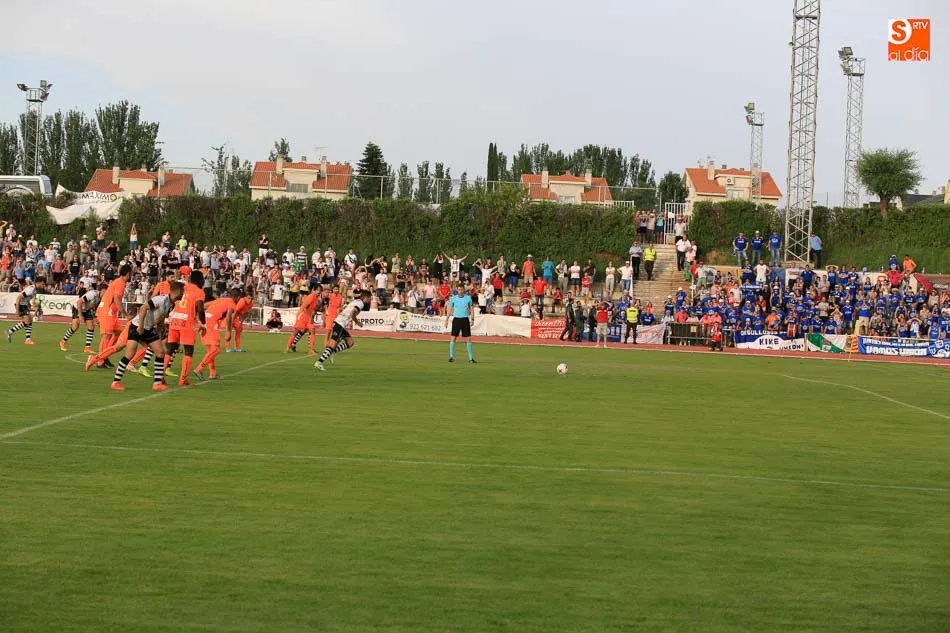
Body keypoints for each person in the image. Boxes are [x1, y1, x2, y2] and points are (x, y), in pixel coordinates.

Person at [109, 282, 182, 391]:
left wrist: (159, 334)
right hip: (137, 326)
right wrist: (141, 326)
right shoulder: (161, 299)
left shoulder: (171, 304)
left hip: (149, 328)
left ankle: (157, 383)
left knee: (160, 352)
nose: (183, 295)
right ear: (177, 291)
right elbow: (144, 307)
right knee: (129, 354)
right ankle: (115, 382)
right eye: (182, 292)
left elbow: (161, 319)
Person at [165, 270, 206, 387]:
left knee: (170, 349)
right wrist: (203, 323)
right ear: (200, 280)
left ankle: (160, 375)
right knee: (188, 351)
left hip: (174, 321)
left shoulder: (182, 287)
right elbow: (200, 309)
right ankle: (183, 379)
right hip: (186, 323)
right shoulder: (199, 292)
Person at [314, 289, 371, 371]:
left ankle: (333, 352)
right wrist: (357, 322)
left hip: (340, 324)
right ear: (366, 297)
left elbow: (343, 309)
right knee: (332, 345)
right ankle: (319, 362)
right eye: (369, 298)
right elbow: (352, 313)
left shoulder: (356, 301)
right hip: (339, 324)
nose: (370, 300)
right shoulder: (361, 303)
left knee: (350, 343)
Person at [194, 289, 237, 380]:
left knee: (211, 349)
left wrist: (198, 319)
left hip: (204, 320)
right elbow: (228, 316)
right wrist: (229, 331)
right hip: (211, 323)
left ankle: (212, 373)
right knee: (216, 349)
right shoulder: (232, 303)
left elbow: (204, 305)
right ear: (238, 297)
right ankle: (199, 369)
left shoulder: (221, 300)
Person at [61, 283, 101, 353]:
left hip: (87, 309)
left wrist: (96, 317)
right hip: (77, 308)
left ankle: (87, 347)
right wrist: (80, 315)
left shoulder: (100, 297)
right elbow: (79, 302)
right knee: (75, 327)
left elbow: (95, 307)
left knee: (91, 327)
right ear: (103, 290)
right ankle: (63, 341)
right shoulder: (92, 294)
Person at [6, 277, 47, 345]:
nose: (43, 286)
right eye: (42, 284)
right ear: (38, 283)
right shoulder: (31, 290)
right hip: (20, 305)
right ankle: (12, 333)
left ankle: (25, 338)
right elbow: (19, 297)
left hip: (24, 305)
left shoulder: (35, 290)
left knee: (29, 321)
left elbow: (31, 299)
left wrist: (31, 305)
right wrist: (17, 310)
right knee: (27, 321)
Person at [445, 282, 476, 364]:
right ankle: (451, 357)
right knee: (453, 338)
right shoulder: (453, 298)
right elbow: (449, 310)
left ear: (464, 290)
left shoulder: (468, 298)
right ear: (457, 290)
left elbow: (472, 309)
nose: (460, 291)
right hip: (456, 320)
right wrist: (446, 320)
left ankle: (471, 358)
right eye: (459, 289)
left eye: (462, 289)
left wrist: (472, 319)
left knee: (468, 338)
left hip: (465, 319)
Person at [286, 286, 318, 353]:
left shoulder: (316, 298)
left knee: (311, 330)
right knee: (297, 331)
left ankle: (311, 349)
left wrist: (312, 315)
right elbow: (305, 308)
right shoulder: (311, 297)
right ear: (313, 290)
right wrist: (310, 317)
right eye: (317, 290)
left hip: (308, 316)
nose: (319, 292)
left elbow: (312, 309)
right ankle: (288, 347)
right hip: (303, 315)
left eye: (320, 290)